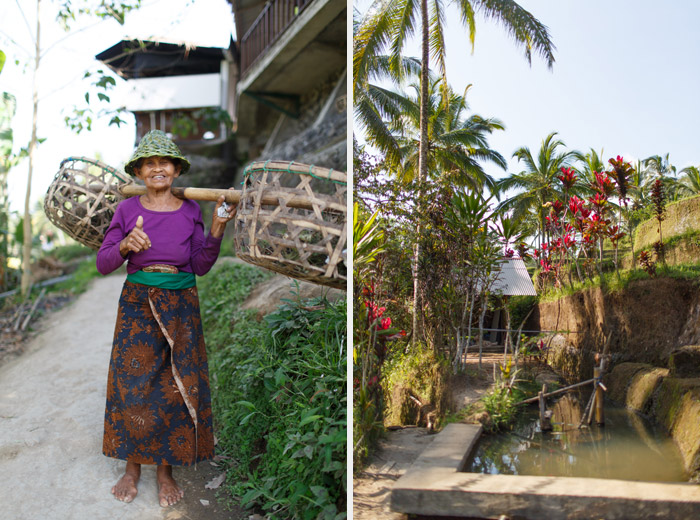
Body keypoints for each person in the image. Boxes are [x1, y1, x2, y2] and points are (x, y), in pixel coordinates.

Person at [96, 130, 236, 507]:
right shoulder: (127, 211)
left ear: (175, 170)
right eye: (150, 163)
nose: (158, 168)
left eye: (165, 163)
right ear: (140, 172)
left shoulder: (191, 209)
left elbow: (201, 264)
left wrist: (219, 226)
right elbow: (103, 262)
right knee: (134, 382)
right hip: (138, 303)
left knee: (176, 383)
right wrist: (126, 244)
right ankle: (132, 468)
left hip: (181, 302)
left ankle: (165, 471)